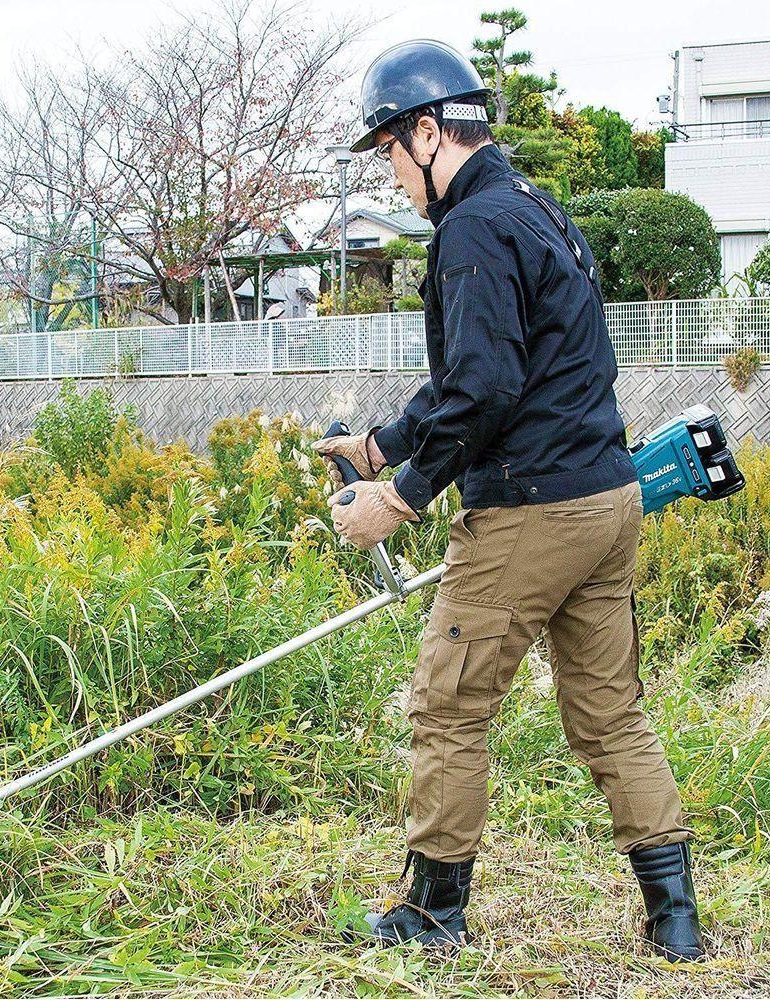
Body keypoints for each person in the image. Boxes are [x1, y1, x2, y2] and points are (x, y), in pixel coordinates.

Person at [313, 38, 704, 962]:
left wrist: (395, 500)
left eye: (390, 152)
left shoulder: (471, 229)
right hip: (606, 500)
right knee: (611, 714)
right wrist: (381, 445)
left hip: (531, 512)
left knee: (447, 709)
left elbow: (485, 393)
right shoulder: (530, 207)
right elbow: (491, 375)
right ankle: (677, 925)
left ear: (427, 130)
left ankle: (432, 915)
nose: (394, 176)